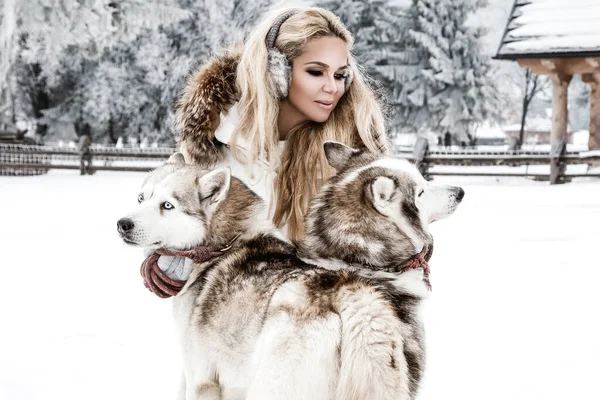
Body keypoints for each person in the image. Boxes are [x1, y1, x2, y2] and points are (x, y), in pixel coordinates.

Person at [151, 7, 390, 286]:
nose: (332, 87)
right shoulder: (215, 141)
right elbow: (168, 216)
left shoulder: (348, 152)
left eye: (340, 75)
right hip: (235, 317)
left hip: (324, 312)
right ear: (277, 72)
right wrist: (159, 255)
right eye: (316, 72)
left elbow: (389, 235)